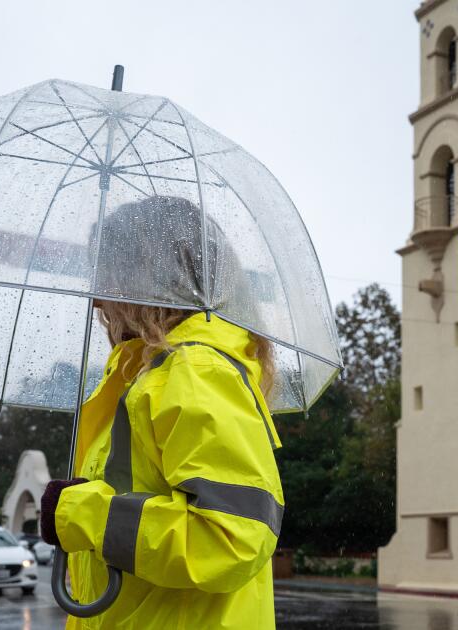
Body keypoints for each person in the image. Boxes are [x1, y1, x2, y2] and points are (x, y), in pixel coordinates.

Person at [41, 195, 285, 629]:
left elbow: (231, 538)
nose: (96, 300)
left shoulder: (195, 372)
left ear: (148, 276)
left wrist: (80, 513)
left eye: (107, 273)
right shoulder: (149, 377)